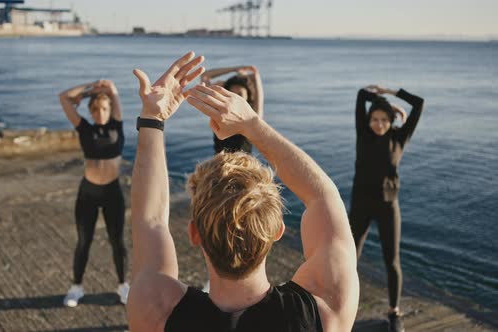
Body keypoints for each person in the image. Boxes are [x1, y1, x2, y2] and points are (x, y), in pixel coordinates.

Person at [127, 52, 359, 332]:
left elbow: (149, 220)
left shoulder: (156, 312)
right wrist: (253, 124)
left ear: (194, 234)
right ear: (277, 230)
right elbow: (324, 196)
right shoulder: (324, 313)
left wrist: (153, 118)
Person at [350, 84, 425, 332]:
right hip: (361, 204)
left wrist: (392, 92)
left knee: (392, 261)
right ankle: (345, 305)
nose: (379, 124)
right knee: (351, 258)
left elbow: (419, 103)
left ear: (391, 122)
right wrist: (385, 103)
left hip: (388, 206)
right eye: (375, 119)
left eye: (384, 120)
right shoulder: (363, 132)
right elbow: (361, 94)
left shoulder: (399, 138)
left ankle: (394, 312)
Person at [58, 79, 129, 306]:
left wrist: (105, 89)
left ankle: (123, 286)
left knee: (117, 241)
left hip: (112, 192)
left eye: (105, 108)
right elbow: (64, 97)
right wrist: (89, 89)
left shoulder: (117, 125)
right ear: (90, 111)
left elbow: (113, 91)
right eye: (96, 109)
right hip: (88, 193)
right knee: (83, 242)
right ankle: (76, 287)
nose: (100, 113)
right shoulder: (84, 128)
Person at [201, 65, 264, 154]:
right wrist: (234, 69)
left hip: (244, 165)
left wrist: (242, 76)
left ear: (248, 97)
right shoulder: (219, 112)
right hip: (220, 164)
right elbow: (205, 75)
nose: (235, 98)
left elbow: (255, 76)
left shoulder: (253, 116)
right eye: (232, 94)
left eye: (240, 94)